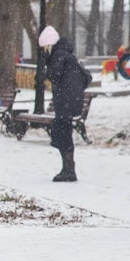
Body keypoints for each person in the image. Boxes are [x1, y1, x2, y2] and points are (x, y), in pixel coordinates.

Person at [40, 25, 88, 182]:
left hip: (65, 102)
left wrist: (46, 67)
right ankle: (68, 168)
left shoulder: (59, 55)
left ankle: (68, 171)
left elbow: (54, 76)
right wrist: (75, 91)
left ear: (49, 45)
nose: (44, 50)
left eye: (44, 47)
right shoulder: (68, 54)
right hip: (69, 101)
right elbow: (86, 77)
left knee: (62, 132)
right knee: (62, 131)